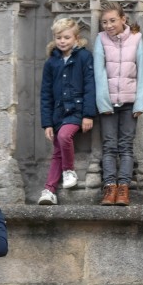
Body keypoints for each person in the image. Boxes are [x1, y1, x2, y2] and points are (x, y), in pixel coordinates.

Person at [94, 0, 143, 206]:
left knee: (126, 147)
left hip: (129, 102)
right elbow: (99, 72)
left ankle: (124, 188)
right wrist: (103, 102)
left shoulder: (136, 38)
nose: (108, 25)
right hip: (108, 103)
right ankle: (110, 188)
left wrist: (140, 103)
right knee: (109, 146)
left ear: (123, 19)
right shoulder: (101, 39)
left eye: (112, 20)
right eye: (104, 22)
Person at [38, 17, 96, 205]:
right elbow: (45, 93)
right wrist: (47, 123)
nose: (62, 41)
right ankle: (49, 190)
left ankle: (69, 170)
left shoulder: (84, 57)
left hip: (77, 112)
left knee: (64, 137)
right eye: (58, 37)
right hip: (57, 114)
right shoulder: (51, 62)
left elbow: (90, 86)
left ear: (76, 38)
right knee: (56, 151)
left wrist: (88, 114)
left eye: (66, 37)